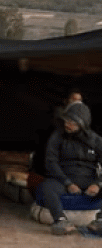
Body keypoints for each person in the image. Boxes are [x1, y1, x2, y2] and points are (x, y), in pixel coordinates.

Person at [39, 100, 102, 235]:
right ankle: (60, 221)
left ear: (83, 124)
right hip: (63, 178)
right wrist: (68, 183)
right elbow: (50, 162)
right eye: (67, 120)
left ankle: (100, 222)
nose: (68, 124)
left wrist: (98, 184)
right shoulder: (57, 136)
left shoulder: (96, 140)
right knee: (47, 186)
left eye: (73, 122)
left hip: (88, 179)